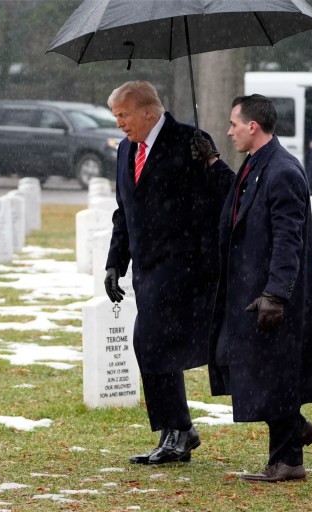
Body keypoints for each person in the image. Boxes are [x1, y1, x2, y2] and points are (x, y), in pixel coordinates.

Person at [210, 94, 312, 482]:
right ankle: (294, 429)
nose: (229, 130)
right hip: (252, 290)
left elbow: (289, 238)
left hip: (273, 293)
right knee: (245, 364)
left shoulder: (283, 170)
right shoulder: (256, 163)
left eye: (234, 123)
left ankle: (287, 461)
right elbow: (241, 201)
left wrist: (277, 294)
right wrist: (214, 164)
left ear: (253, 126)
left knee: (273, 372)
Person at [103, 81, 234, 465]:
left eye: (123, 115)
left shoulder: (190, 141)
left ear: (148, 111)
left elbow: (224, 196)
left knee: (150, 340)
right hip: (148, 268)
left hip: (187, 265)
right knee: (157, 346)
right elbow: (123, 211)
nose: (119, 125)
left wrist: (210, 162)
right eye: (116, 117)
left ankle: (179, 429)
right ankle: (177, 431)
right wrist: (115, 263)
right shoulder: (127, 150)